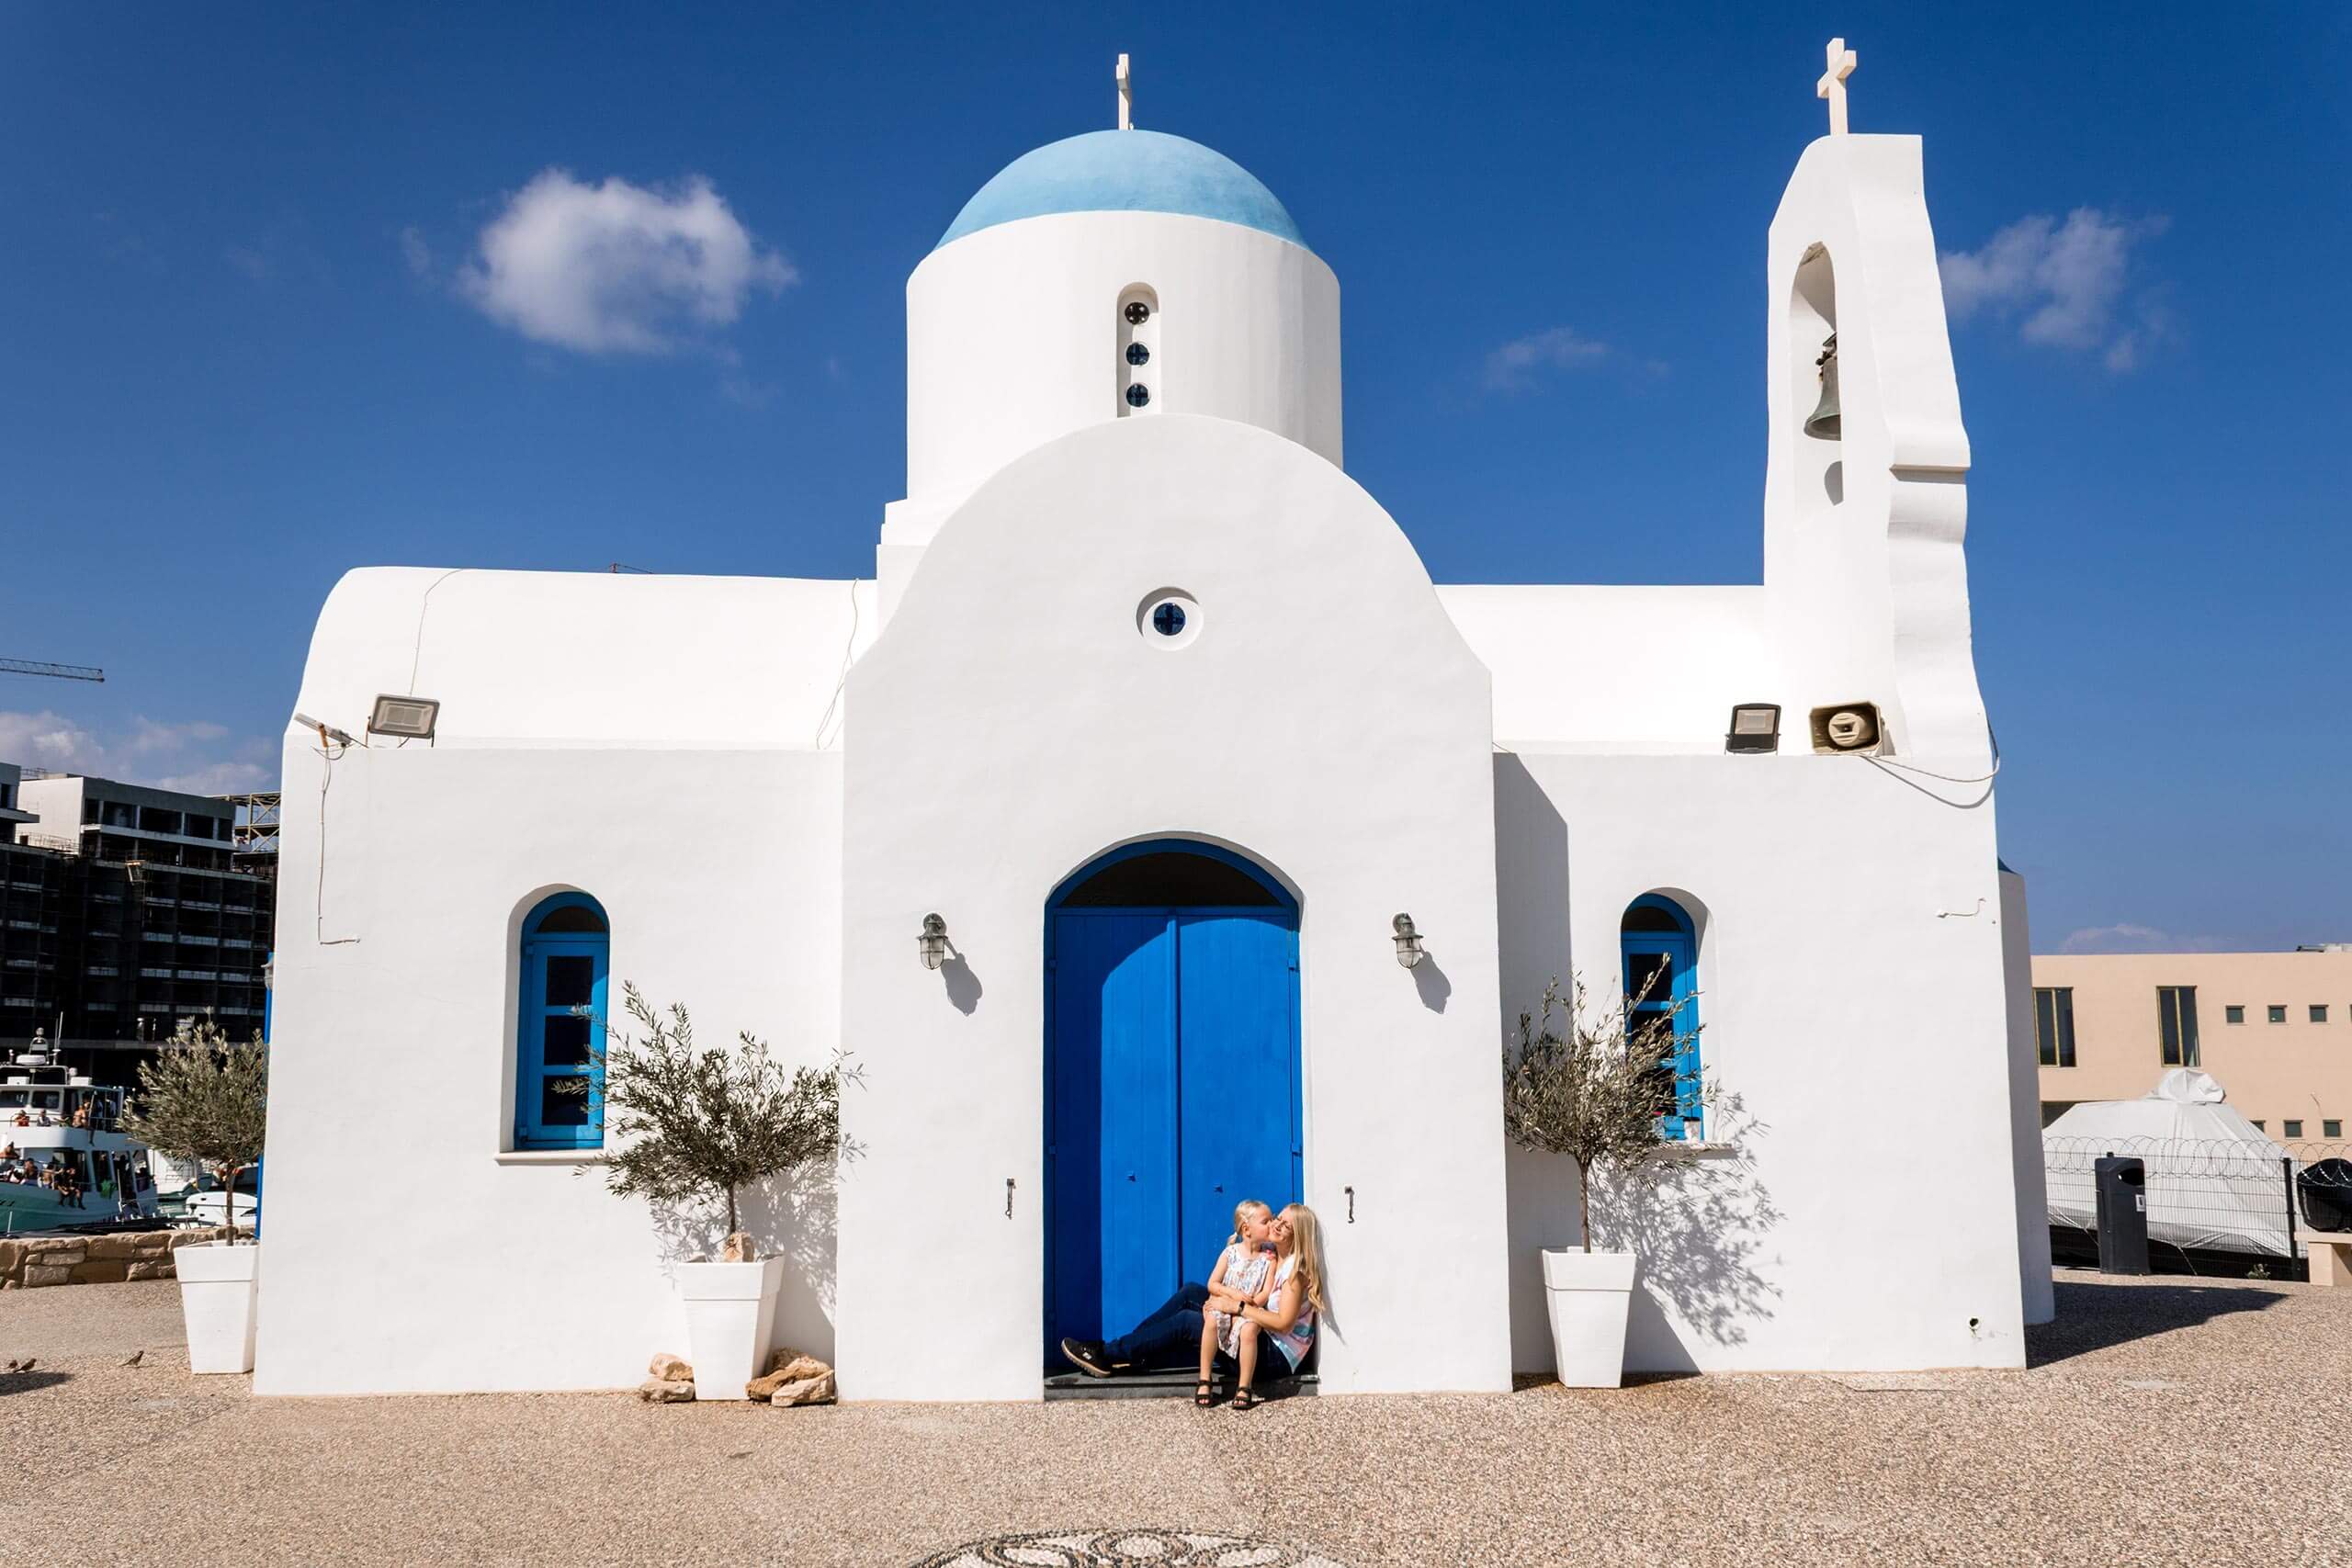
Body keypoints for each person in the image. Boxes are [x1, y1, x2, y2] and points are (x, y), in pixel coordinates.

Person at [1063, 1201, 1327, 1411]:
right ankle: (1132, 1349)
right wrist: (1227, 1299)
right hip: (1258, 1331)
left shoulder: (1295, 1272)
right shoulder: (1273, 1254)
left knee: (1188, 1322)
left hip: (1272, 1356)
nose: (1276, 1225)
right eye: (1277, 1219)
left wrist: (1235, 1308)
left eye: (1285, 1225)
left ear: (1298, 1236)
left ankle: (1109, 1355)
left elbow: (1283, 1323)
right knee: (1191, 1291)